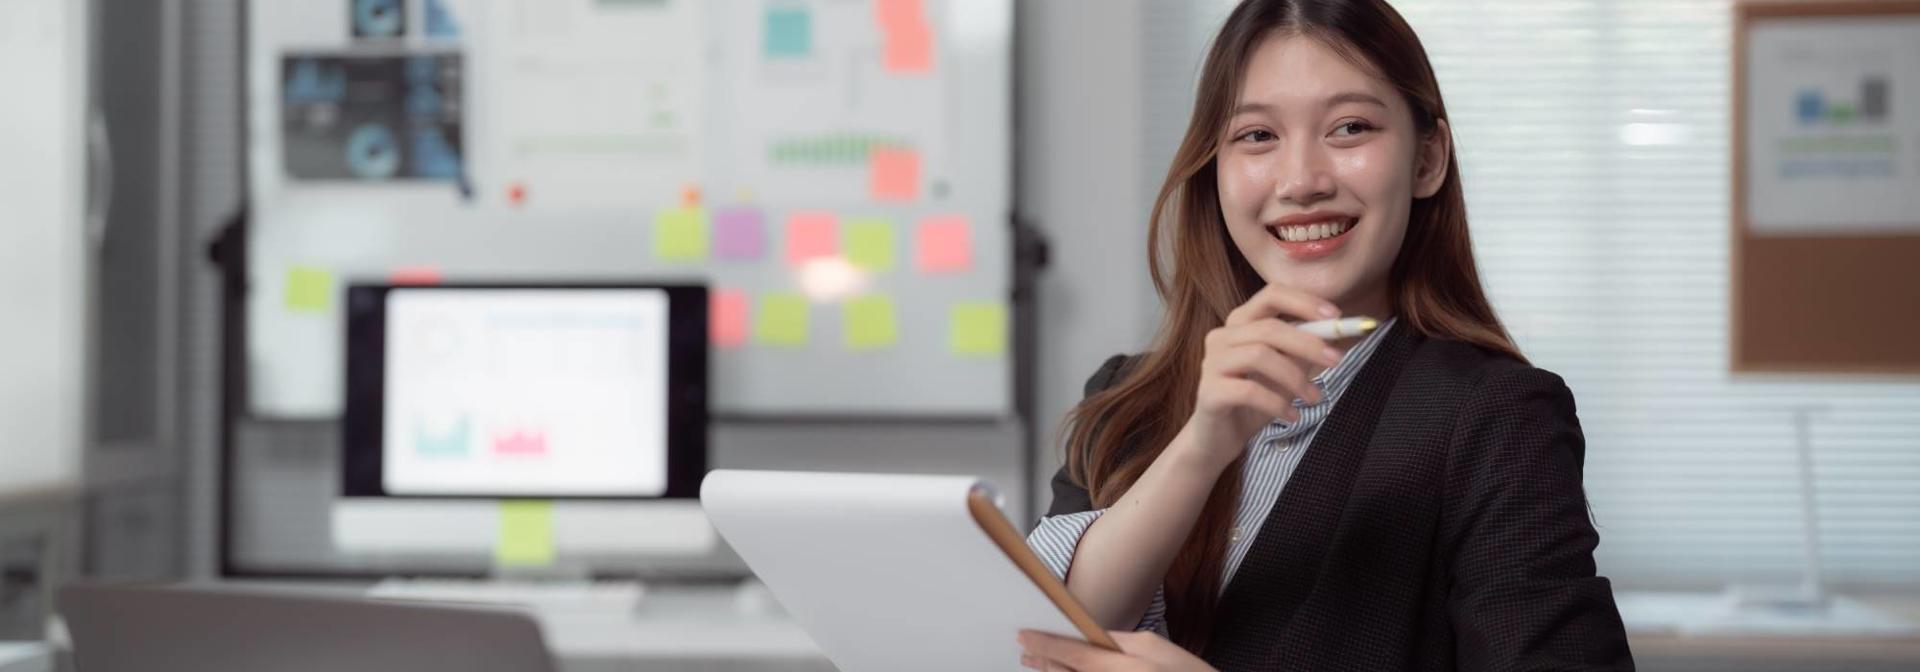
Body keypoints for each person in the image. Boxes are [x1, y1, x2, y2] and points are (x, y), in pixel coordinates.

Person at [1016, 0, 1635, 669]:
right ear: (1214, 168)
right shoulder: (1126, 399)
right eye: (1257, 136)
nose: (1302, 181)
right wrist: (1201, 445)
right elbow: (1040, 632)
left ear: (1427, 159)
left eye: (1349, 128)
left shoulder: (1495, 418)